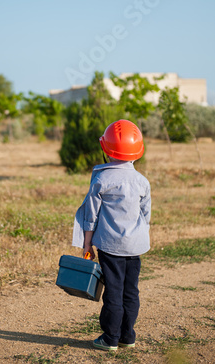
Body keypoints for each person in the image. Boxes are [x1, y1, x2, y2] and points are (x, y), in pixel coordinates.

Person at [72, 119, 151, 352]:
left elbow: (91, 217)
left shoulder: (101, 179)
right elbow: (145, 216)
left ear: (105, 148)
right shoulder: (142, 182)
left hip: (110, 247)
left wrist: (87, 244)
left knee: (113, 292)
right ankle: (128, 335)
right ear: (138, 152)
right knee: (131, 291)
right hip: (135, 247)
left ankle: (110, 338)